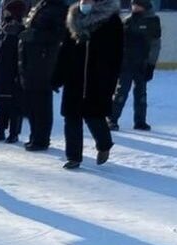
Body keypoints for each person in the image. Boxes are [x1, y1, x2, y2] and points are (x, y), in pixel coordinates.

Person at [54, 0, 123, 170]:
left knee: (94, 116)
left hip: (98, 78)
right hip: (74, 78)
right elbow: (64, 51)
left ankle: (104, 144)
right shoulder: (74, 17)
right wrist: (57, 76)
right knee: (71, 117)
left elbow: (117, 54)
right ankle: (73, 157)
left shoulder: (111, 21)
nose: (85, 3)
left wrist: (111, 79)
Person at [18, 0, 67, 151]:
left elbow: (61, 34)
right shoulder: (41, 5)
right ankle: (35, 135)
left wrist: (35, 36)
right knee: (32, 101)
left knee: (42, 102)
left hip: (44, 62)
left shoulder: (59, 8)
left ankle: (42, 139)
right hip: (31, 59)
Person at [108, 0, 161, 132]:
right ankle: (112, 119)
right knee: (121, 92)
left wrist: (151, 64)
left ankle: (140, 121)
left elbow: (155, 45)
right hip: (126, 64)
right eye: (133, 4)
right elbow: (117, 43)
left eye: (137, 4)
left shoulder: (153, 21)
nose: (134, 7)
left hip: (142, 64)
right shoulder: (127, 21)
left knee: (141, 93)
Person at [0, 0, 28, 144]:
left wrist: (19, 73)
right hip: (0, 72)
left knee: (14, 105)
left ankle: (14, 133)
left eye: (8, 10)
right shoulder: (3, 29)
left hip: (13, 73)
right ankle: (0, 130)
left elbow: (21, 55)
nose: (4, 13)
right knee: (2, 102)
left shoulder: (20, 30)